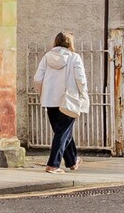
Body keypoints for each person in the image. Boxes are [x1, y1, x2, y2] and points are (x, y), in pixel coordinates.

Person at [33, 31, 89, 173]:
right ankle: (53, 164)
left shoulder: (47, 57)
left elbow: (37, 79)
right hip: (68, 100)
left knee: (62, 132)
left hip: (50, 100)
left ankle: (72, 160)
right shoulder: (74, 58)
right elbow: (81, 80)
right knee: (62, 133)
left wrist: (43, 93)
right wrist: (84, 95)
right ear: (70, 43)